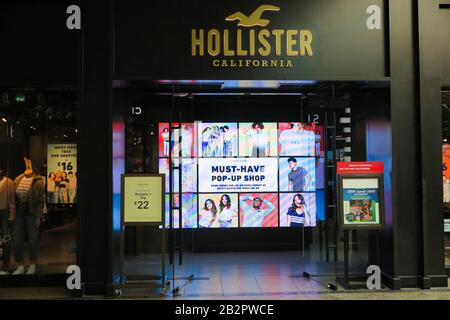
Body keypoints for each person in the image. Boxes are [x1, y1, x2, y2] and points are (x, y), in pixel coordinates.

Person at [12, 158, 45, 275]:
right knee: (17, 239)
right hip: (19, 211)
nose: (28, 167)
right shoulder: (18, 179)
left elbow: (41, 201)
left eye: (29, 165)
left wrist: (39, 215)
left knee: (33, 239)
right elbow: (13, 196)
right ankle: (20, 266)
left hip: (31, 211)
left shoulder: (38, 181)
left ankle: (33, 264)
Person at [0, 168, 15, 275]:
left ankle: (6, 266)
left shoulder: (8, 182)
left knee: (6, 239)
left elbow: (12, 200)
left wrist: (12, 215)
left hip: (4, 212)